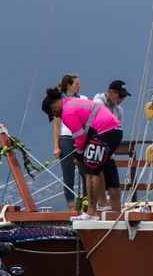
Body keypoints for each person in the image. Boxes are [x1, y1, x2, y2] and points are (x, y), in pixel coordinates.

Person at [42, 86, 123, 214]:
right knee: (96, 167)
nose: (57, 117)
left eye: (54, 115)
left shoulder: (67, 112)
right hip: (114, 130)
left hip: (105, 130)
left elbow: (80, 138)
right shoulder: (70, 102)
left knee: (90, 170)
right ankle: (103, 204)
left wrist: (79, 158)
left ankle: (91, 212)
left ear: (53, 108)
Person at [92, 79, 131, 211]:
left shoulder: (119, 111)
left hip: (109, 153)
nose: (122, 99)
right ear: (111, 92)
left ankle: (116, 219)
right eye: (120, 96)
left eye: (124, 96)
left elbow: (117, 131)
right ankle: (97, 211)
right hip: (96, 150)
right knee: (97, 185)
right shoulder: (97, 104)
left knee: (115, 190)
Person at [52, 73, 86, 212]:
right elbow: (56, 125)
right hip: (66, 138)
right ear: (69, 86)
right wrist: (56, 146)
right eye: (77, 83)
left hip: (81, 137)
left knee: (86, 174)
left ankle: (87, 204)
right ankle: (71, 208)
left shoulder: (83, 99)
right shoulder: (60, 101)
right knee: (68, 176)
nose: (79, 86)